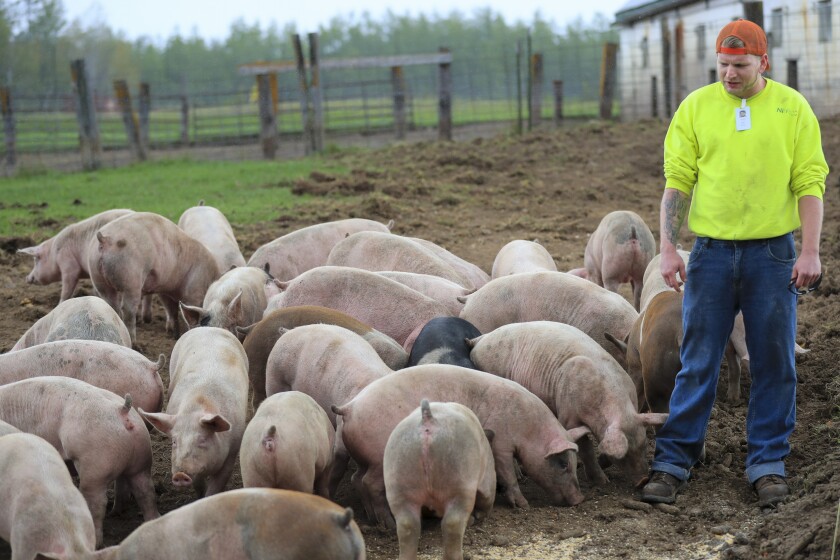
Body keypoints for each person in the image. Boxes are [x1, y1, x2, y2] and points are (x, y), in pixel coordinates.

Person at [639, 19, 828, 508]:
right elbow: (677, 182)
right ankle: (674, 460)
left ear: (762, 61)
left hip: (773, 253)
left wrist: (810, 249)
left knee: (774, 359)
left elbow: (810, 183)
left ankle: (767, 463)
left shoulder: (792, 108)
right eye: (723, 65)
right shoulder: (696, 108)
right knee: (698, 358)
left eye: (740, 65)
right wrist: (666, 246)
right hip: (711, 254)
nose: (729, 74)